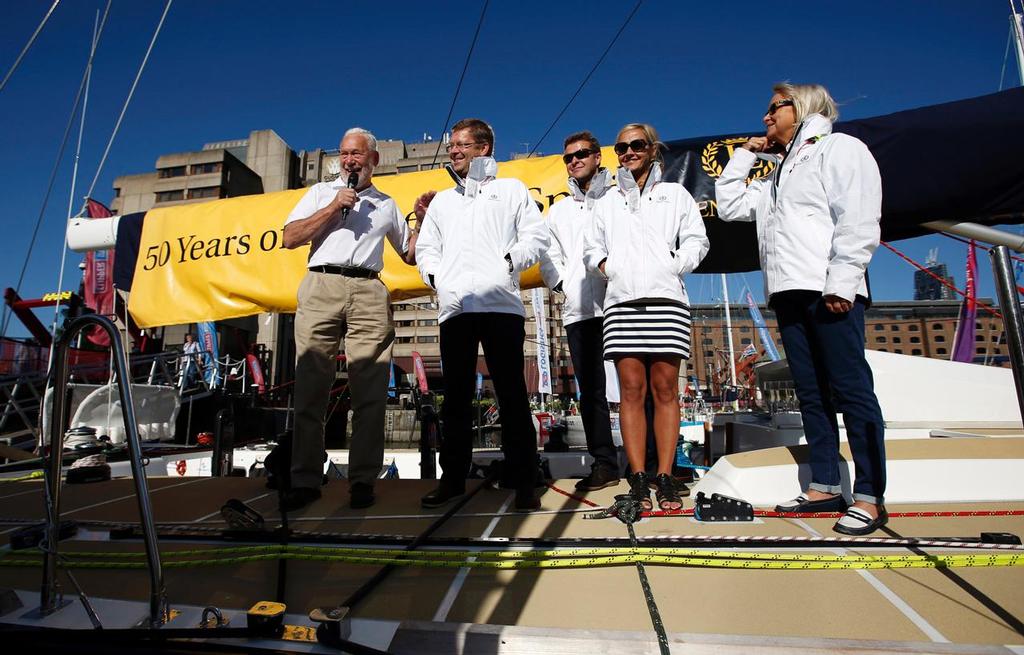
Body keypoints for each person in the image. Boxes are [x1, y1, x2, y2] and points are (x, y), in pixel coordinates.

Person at [715, 83, 887, 535]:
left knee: (852, 391)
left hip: (829, 289)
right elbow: (731, 205)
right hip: (788, 293)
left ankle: (870, 498)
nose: (766, 117)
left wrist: (844, 281)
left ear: (803, 106)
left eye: (774, 108)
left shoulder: (839, 148)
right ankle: (825, 485)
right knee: (811, 394)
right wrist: (747, 154)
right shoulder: (775, 176)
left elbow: (859, 217)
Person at [414, 118, 550, 512]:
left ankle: (525, 481)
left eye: (461, 145)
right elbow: (426, 249)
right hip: (455, 308)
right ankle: (452, 480)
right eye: (452, 145)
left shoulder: (511, 190)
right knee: (454, 399)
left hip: (500, 306)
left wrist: (510, 261)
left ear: (484, 148)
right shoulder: (442, 201)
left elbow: (535, 237)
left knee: (510, 395)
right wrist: (439, 277)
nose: (453, 151)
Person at [282, 127, 417, 511]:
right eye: (344, 154)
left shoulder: (387, 204)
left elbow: (408, 255)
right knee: (311, 386)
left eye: (356, 154)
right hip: (321, 282)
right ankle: (306, 478)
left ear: (373, 159)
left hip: (369, 289)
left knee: (370, 391)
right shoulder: (321, 193)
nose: (349, 160)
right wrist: (334, 208)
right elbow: (291, 237)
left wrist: (421, 222)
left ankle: (362, 480)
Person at [583, 123, 709, 511]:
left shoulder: (675, 195)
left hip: (667, 299)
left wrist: (675, 264)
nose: (628, 152)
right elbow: (591, 248)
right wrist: (610, 266)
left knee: (666, 391)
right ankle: (637, 476)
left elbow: (696, 239)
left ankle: (666, 475)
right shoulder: (604, 201)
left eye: (637, 144)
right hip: (621, 303)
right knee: (630, 393)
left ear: (653, 149)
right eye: (621, 146)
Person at [539, 131, 618, 491]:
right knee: (592, 392)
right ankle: (604, 462)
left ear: (598, 156)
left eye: (582, 154)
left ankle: (648, 462)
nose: (575, 160)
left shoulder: (619, 199)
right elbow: (548, 257)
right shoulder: (559, 210)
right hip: (581, 311)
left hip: (620, 302)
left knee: (636, 387)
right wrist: (563, 286)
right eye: (569, 156)